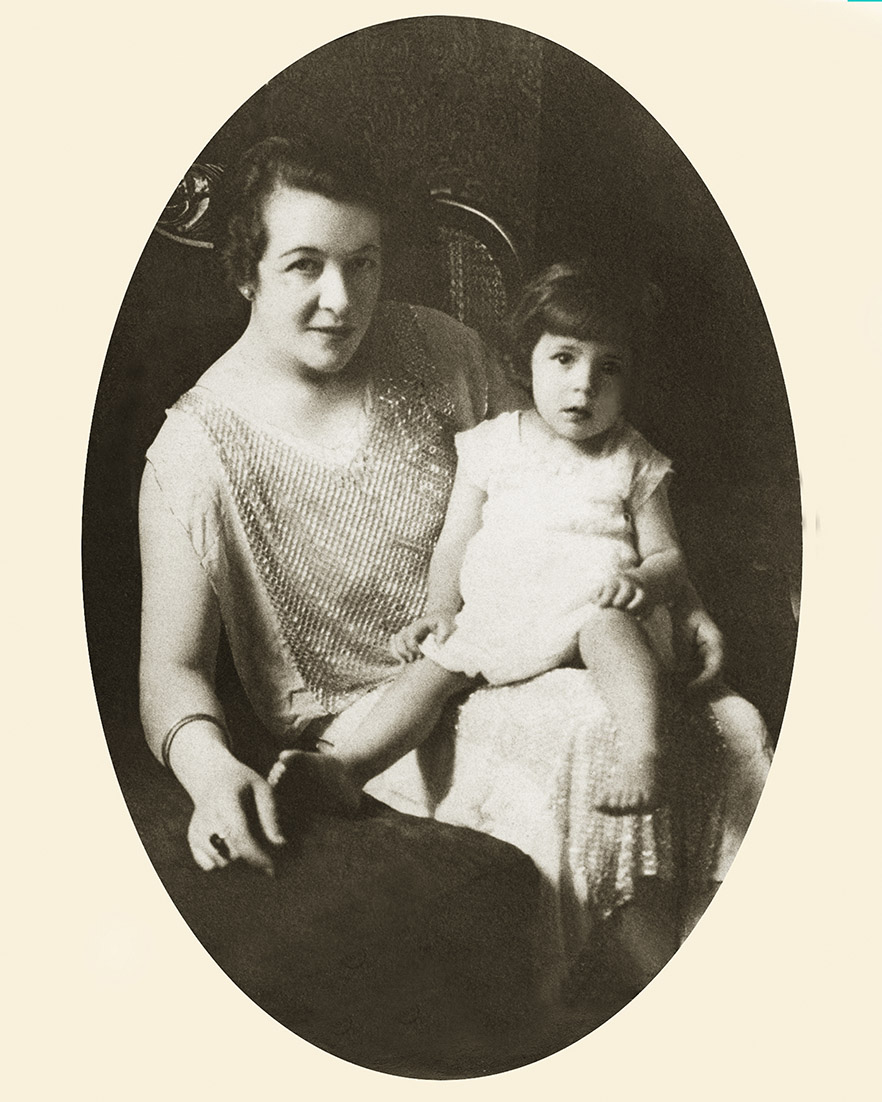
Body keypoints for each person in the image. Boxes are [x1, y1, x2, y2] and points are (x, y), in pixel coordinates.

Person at [139, 135, 770, 1003]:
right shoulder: (192, 452)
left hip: (530, 636)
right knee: (596, 732)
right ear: (246, 271)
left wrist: (686, 602)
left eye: (363, 263)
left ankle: (738, 985)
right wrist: (210, 772)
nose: (342, 299)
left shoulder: (438, 347)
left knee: (724, 720)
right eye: (304, 265)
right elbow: (170, 668)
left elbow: (577, 479)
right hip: (375, 709)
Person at [271, 262, 697, 815]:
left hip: (595, 606)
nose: (584, 384)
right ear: (527, 360)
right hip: (507, 612)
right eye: (564, 358)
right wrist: (439, 610)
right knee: (435, 666)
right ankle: (350, 766)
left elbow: (668, 554)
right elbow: (455, 541)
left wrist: (643, 581)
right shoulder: (492, 445)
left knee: (609, 628)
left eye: (609, 368)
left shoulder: (633, 458)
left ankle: (642, 750)